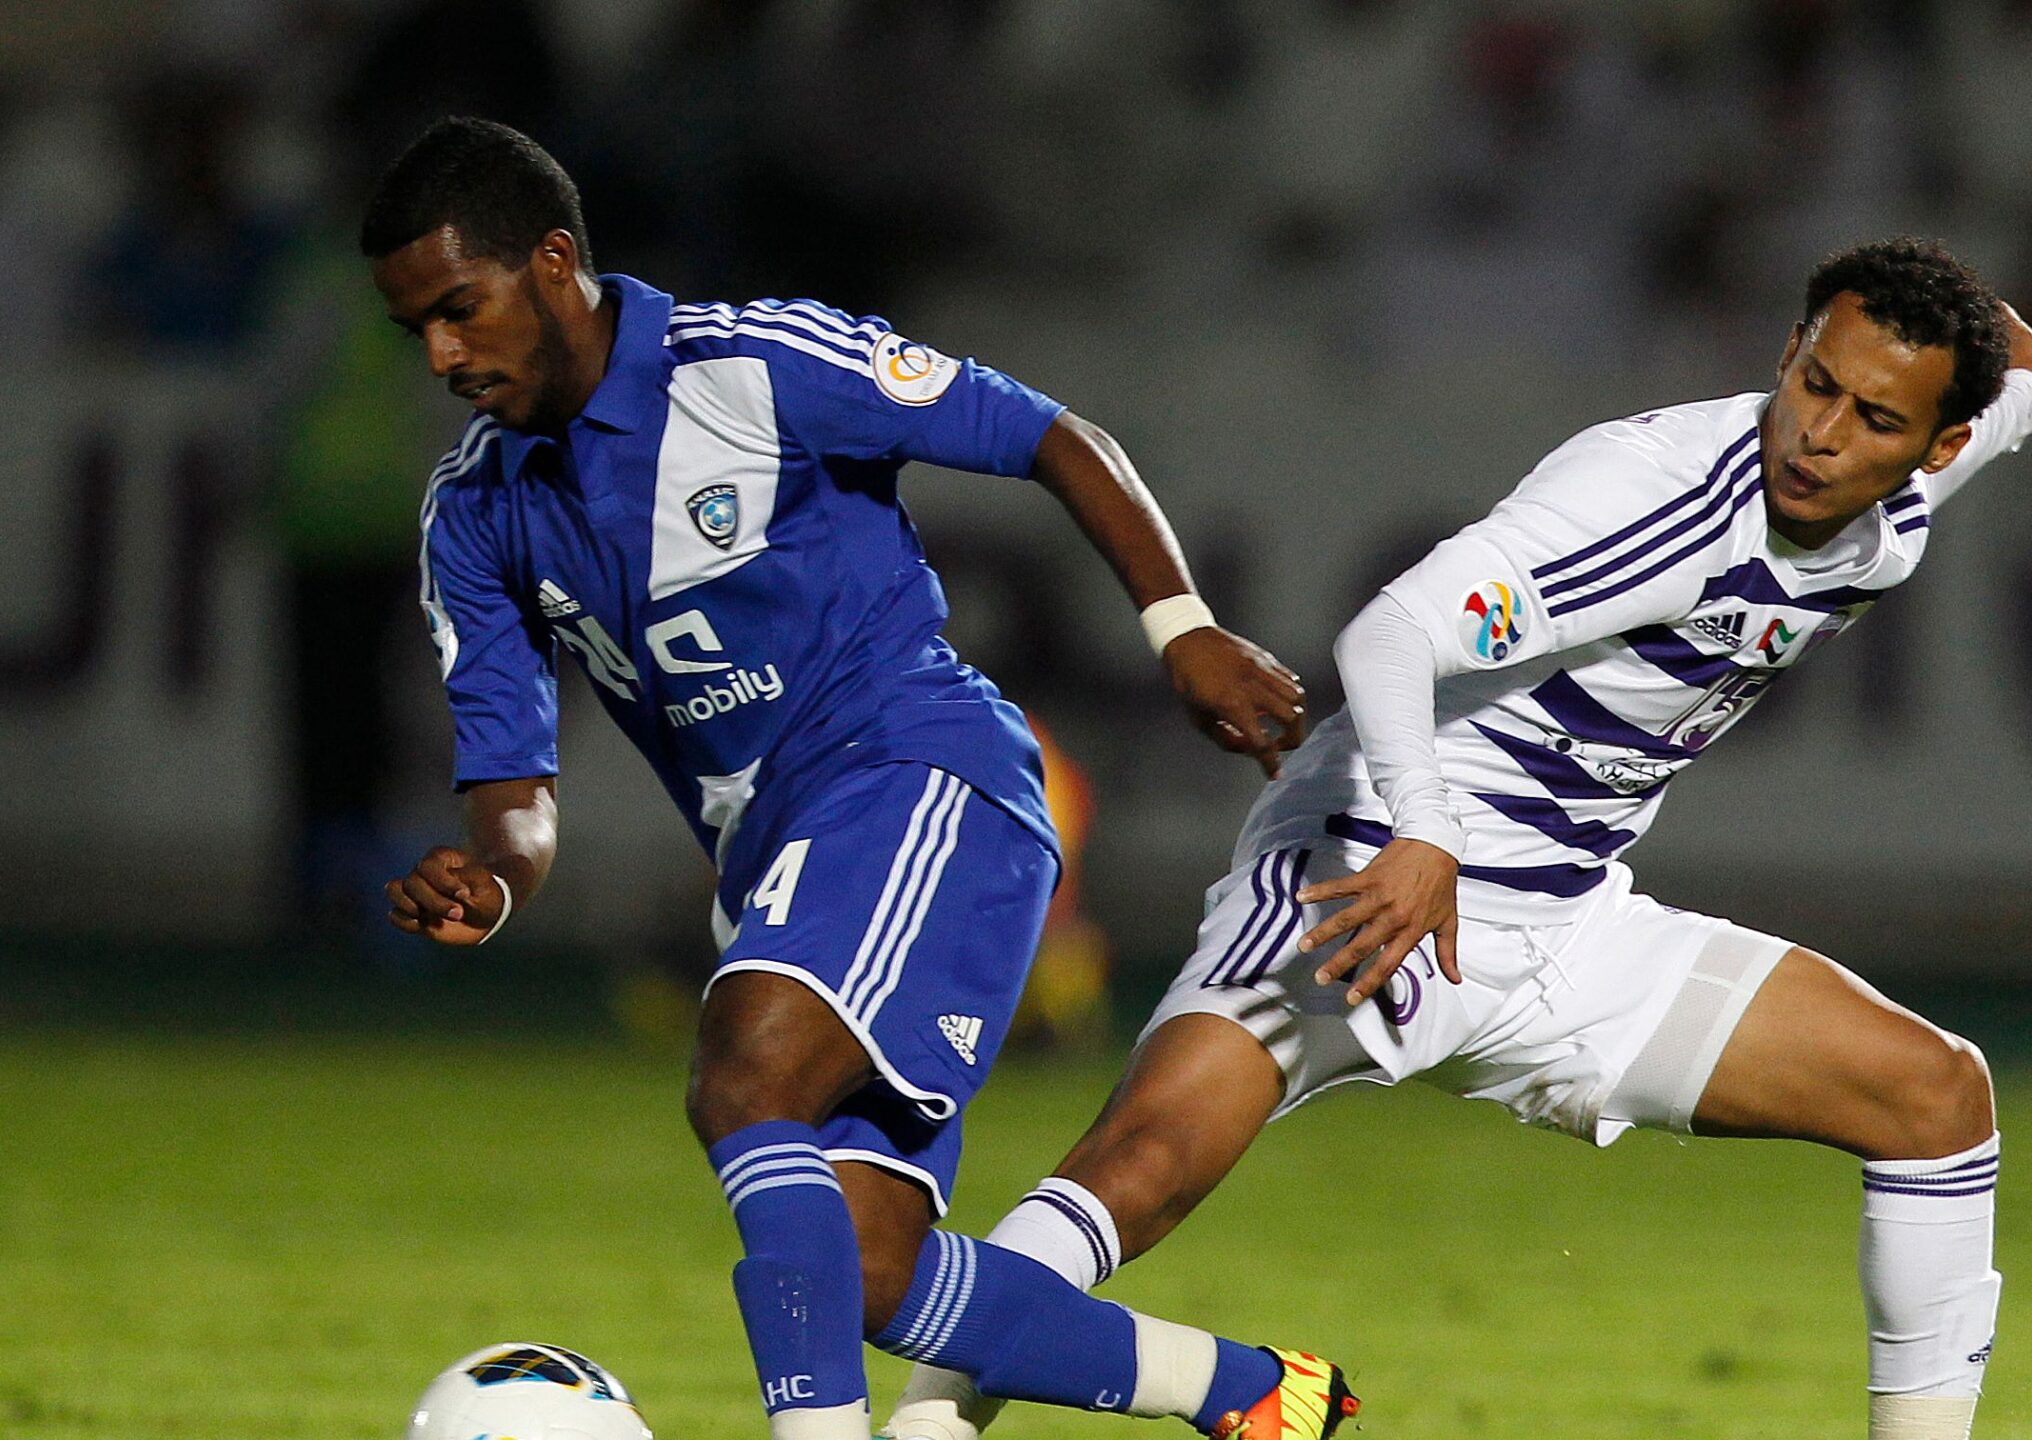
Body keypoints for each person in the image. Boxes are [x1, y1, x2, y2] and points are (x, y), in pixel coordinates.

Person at [890, 238, 2032, 1440]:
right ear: (1787, 354)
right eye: (1815, 383)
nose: (1821, 434)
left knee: (1934, 1097)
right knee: (1137, 1168)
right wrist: (1423, 831)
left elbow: (2031, 365)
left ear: (1942, 447)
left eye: (1875, 418)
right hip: (1364, 881)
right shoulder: (1654, 494)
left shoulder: (1913, 489)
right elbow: (1394, 632)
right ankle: (917, 1437)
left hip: (1567, 926)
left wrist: (1998, 354)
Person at [365, 117, 1363, 1440]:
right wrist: (490, 884)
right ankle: (1255, 1397)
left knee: (743, 1074)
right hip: (780, 866)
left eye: (458, 309)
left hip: (924, 784)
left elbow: (1053, 436)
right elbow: (514, 790)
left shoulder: (755, 365)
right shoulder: (476, 512)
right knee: (872, 1272)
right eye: (415, 329)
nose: (440, 355)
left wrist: (1179, 629)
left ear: (553, 263)